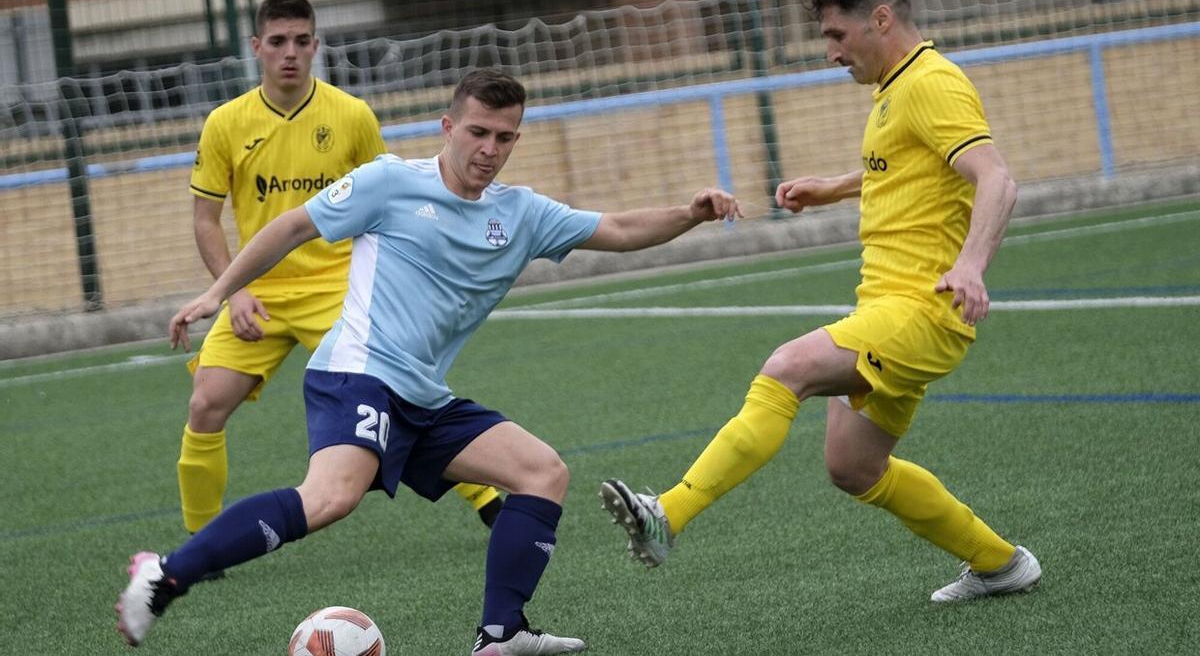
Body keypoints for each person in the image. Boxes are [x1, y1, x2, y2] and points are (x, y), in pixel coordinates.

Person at [116, 68, 742, 653]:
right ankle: (166, 575)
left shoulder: (521, 214)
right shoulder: (389, 182)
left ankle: (501, 633)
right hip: (358, 371)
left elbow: (622, 229)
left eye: (504, 137)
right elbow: (291, 228)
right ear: (448, 128)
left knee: (542, 472)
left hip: (421, 394)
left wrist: (689, 214)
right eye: (477, 132)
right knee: (332, 497)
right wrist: (216, 292)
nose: (489, 149)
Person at [601, 0, 1041, 602]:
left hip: (921, 308)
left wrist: (971, 266)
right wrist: (833, 188)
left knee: (788, 367)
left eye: (837, 35)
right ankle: (1000, 563)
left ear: (881, 19)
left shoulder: (931, 83)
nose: (831, 53)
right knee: (854, 468)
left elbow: (996, 177)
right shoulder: (897, 87)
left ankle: (667, 514)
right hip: (889, 307)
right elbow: (911, 170)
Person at [180, 0, 502, 547]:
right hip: (258, 293)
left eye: (301, 42)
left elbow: (391, 201)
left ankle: (491, 500)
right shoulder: (225, 124)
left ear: (316, 46)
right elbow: (206, 220)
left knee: (406, 391)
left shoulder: (351, 116)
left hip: (338, 286)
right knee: (206, 402)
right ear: (256, 47)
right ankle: (201, 542)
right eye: (277, 42)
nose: (290, 53)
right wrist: (233, 293)